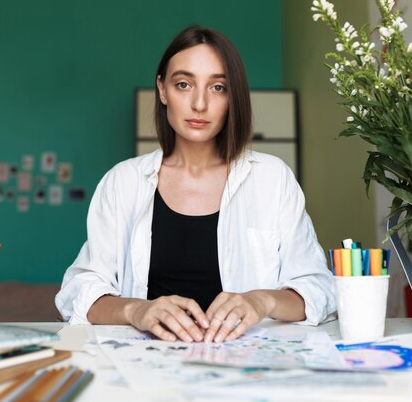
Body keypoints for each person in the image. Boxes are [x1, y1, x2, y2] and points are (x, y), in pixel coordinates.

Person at [55, 25, 336, 343]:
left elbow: (320, 290)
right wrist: (137, 310)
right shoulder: (124, 182)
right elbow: (78, 292)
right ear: (162, 90)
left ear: (233, 97)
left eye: (218, 87)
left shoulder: (272, 178)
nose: (199, 104)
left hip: (247, 374)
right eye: (184, 84)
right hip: (146, 374)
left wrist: (262, 300)